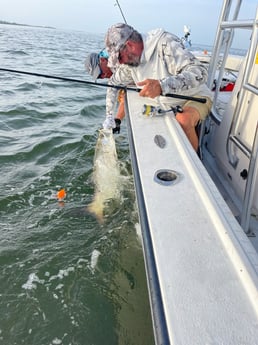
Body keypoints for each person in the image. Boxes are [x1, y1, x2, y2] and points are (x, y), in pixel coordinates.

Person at [103, 23, 213, 151]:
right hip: (167, 104)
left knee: (183, 120)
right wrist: (110, 116)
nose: (120, 63)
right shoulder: (129, 65)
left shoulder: (165, 44)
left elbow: (200, 72)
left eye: (120, 57)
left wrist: (162, 85)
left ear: (130, 46)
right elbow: (113, 83)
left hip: (195, 96)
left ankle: (196, 163)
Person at [84, 50, 126, 133]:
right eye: (100, 77)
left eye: (101, 73)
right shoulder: (115, 76)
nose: (104, 76)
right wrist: (116, 120)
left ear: (103, 60)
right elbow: (120, 97)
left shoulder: (119, 58)